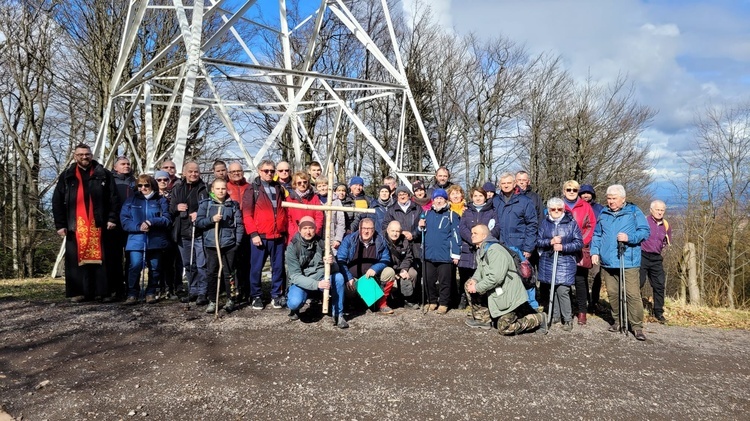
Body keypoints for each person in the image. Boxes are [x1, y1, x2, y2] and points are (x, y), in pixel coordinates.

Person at [53, 143, 119, 302]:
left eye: (87, 154)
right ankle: (78, 292)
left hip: (100, 223)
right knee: (75, 262)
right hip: (75, 225)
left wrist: (112, 218)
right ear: (75, 156)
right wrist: (60, 224)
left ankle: (102, 292)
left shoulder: (103, 174)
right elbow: (57, 201)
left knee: (103, 260)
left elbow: (114, 198)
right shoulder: (67, 176)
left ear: (91, 155)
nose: (84, 157)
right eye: (81, 154)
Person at [590, 184, 650, 341]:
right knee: (613, 293)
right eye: (609, 198)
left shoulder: (634, 212)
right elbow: (597, 234)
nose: (611, 202)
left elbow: (645, 231)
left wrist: (629, 238)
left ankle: (636, 326)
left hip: (628, 259)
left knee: (632, 294)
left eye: (614, 199)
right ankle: (618, 321)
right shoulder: (604, 213)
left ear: (623, 199)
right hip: (608, 261)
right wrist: (595, 251)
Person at [464, 224, 546, 335]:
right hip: (498, 292)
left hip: (509, 294)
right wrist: (474, 280)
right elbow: (480, 270)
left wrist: (477, 287)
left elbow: (495, 278)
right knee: (469, 283)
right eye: (472, 233)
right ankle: (483, 319)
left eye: (475, 233)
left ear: (484, 236)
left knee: (505, 327)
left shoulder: (495, 250)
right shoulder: (484, 249)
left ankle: (539, 319)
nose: (472, 235)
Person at [242, 160, 288, 310]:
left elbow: (284, 211)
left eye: (272, 171)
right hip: (260, 236)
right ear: (259, 171)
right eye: (266, 170)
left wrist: (284, 232)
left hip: (278, 235)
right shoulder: (252, 189)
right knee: (256, 268)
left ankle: (276, 295)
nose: (269, 173)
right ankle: (256, 296)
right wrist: (253, 233)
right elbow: (247, 214)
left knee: (278, 267)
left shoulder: (278, 188)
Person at [286, 216, 348, 328]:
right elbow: (295, 276)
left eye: (311, 228)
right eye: (305, 228)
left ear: (316, 229)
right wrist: (317, 284)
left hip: (321, 278)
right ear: (299, 230)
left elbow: (336, 269)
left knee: (338, 277)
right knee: (295, 302)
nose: (308, 232)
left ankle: (338, 314)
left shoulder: (323, 243)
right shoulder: (292, 248)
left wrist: (331, 263)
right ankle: (295, 309)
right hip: (302, 282)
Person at [120, 175, 172, 305]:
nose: (143, 188)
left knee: (155, 267)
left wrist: (151, 222)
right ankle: (132, 293)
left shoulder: (161, 201)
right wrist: (139, 227)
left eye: (146, 185)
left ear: (152, 186)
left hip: (156, 240)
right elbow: (125, 221)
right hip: (136, 240)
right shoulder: (130, 201)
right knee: (135, 266)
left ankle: (151, 292)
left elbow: (167, 219)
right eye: (140, 185)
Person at [196, 179, 244, 314]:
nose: (221, 191)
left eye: (223, 188)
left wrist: (237, 243)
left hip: (229, 244)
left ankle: (231, 299)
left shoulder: (232, 205)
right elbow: (199, 222)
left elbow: (239, 225)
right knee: (212, 272)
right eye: (218, 189)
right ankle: (213, 300)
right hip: (211, 244)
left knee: (229, 272)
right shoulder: (206, 205)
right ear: (212, 190)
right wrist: (211, 220)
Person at [492, 172, 539, 309]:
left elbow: (532, 224)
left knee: (525, 275)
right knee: (503, 277)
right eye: (503, 183)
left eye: (508, 183)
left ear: (514, 184)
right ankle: (507, 306)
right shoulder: (495, 201)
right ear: (499, 185)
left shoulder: (524, 201)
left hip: (519, 245)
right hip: (500, 245)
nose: (506, 185)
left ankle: (531, 307)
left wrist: (528, 247)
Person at [536, 198, 584, 331]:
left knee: (563, 290)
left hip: (566, 261)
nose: (556, 211)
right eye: (553, 209)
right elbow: (538, 241)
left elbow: (579, 243)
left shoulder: (571, 223)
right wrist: (550, 242)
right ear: (549, 210)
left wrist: (563, 247)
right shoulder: (544, 223)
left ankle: (567, 319)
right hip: (548, 260)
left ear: (563, 210)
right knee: (553, 288)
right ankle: (555, 315)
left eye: (559, 209)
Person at [335, 218, 395, 314]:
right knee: (346, 286)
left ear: (374, 229)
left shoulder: (380, 240)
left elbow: (386, 258)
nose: (366, 231)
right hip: (353, 279)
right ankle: (352, 302)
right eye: (364, 228)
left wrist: (375, 268)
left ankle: (382, 303)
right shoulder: (349, 239)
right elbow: (340, 259)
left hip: (372, 279)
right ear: (359, 228)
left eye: (369, 228)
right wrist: (348, 277)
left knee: (389, 272)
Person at [170, 161, 209, 306]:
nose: (193, 174)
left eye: (196, 171)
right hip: (183, 232)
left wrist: (200, 214)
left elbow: (210, 206)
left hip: (199, 232)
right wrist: (176, 207)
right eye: (191, 171)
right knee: (188, 264)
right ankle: (192, 290)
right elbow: (170, 208)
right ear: (184, 173)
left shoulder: (205, 188)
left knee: (201, 264)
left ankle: (202, 292)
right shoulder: (177, 188)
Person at [418, 188, 460, 314]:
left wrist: (456, 254)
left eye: (441, 198)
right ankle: (431, 301)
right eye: (436, 198)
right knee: (428, 280)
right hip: (429, 253)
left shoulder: (451, 215)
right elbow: (420, 233)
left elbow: (456, 235)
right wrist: (420, 226)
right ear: (433, 200)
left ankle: (443, 303)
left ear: (445, 200)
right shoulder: (426, 214)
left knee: (444, 281)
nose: (439, 201)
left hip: (445, 254)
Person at [562, 180, 596, 325]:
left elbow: (591, 225)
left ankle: (582, 311)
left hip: (580, 249)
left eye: (574, 190)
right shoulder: (559, 206)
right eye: (568, 189)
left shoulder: (585, 206)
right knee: (563, 281)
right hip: (563, 248)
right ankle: (566, 310)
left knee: (580, 281)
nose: (571, 192)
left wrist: (581, 241)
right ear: (564, 191)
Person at [457, 187, 496, 310]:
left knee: (482, 274)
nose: (478, 198)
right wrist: (473, 239)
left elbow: (496, 227)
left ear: (485, 197)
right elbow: (462, 228)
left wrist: (483, 240)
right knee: (465, 274)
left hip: (485, 247)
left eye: (480, 196)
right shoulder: (467, 212)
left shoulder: (492, 212)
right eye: (475, 196)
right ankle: (464, 298)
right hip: (468, 248)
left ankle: (480, 301)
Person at [109, 155, 137, 300]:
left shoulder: (136, 182)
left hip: (131, 225)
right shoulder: (110, 181)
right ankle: (116, 289)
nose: (126, 166)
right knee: (115, 258)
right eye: (123, 164)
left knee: (132, 258)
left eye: (128, 164)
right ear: (115, 167)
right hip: (115, 225)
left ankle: (131, 288)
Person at [640, 200, 672, 324]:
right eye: (657, 210)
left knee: (659, 285)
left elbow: (667, 240)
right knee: (638, 283)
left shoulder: (666, 225)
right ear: (651, 210)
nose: (659, 212)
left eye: (662, 210)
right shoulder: (644, 221)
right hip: (642, 255)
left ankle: (658, 312)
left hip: (656, 258)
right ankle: (635, 311)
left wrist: (661, 251)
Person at [226, 162, 251, 302]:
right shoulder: (225, 187)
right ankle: (234, 291)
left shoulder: (249, 187)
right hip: (231, 231)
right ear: (229, 173)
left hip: (248, 230)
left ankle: (247, 290)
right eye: (233, 171)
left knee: (247, 263)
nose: (236, 173)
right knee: (232, 263)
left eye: (239, 171)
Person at [155, 170, 181, 299]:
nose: (162, 182)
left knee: (170, 263)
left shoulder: (173, 195)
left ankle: (170, 288)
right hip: (156, 232)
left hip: (171, 231)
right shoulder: (152, 196)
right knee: (156, 263)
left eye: (165, 180)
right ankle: (157, 288)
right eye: (159, 180)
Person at [578, 183, 604, 313]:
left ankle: (594, 301)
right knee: (582, 275)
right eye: (583, 193)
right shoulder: (577, 208)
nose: (586, 195)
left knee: (596, 275)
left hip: (595, 246)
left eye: (588, 193)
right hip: (582, 246)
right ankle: (584, 300)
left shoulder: (600, 209)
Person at [384, 221, 419, 309]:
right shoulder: (382, 241)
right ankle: (386, 299)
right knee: (388, 273)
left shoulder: (404, 241)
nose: (395, 234)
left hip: (402, 267)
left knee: (413, 273)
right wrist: (395, 273)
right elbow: (382, 259)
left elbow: (408, 257)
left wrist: (403, 269)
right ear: (387, 230)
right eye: (392, 231)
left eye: (397, 231)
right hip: (388, 268)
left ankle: (408, 299)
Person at [286, 171, 324, 243]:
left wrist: (313, 232)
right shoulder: (289, 199)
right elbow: (288, 219)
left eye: (305, 182)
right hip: (295, 238)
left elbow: (319, 217)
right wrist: (296, 234)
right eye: (299, 183)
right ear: (295, 184)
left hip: (312, 236)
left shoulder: (314, 198)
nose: (302, 184)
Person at [315, 178, 345, 251]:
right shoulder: (315, 200)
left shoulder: (336, 201)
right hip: (317, 238)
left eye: (324, 185)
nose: (322, 188)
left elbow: (341, 222)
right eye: (319, 186)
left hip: (332, 239)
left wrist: (338, 239)